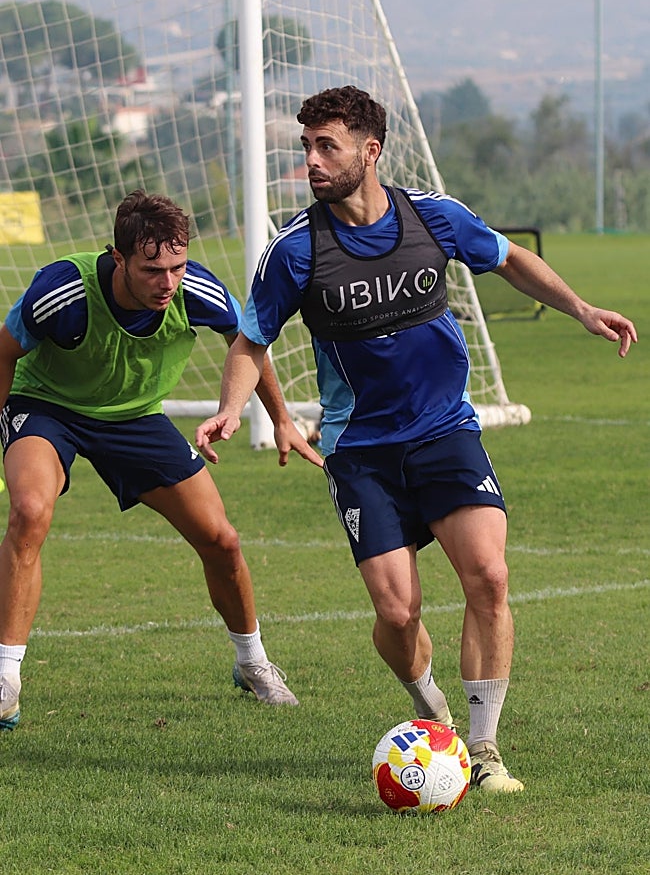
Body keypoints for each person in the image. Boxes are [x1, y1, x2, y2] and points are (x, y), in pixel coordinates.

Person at [195, 85, 637, 794]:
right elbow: (252, 339)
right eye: (305, 146)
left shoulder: (433, 217)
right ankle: (431, 712)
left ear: (370, 151)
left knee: (489, 576)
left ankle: (484, 745)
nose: (310, 159)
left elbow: (509, 258)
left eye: (326, 145)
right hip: (360, 449)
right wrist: (228, 408)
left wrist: (581, 308)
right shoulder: (296, 250)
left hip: (444, 430)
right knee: (398, 612)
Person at [0, 189, 323, 731]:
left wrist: (281, 420)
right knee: (30, 512)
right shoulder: (62, 290)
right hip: (49, 407)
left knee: (222, 540)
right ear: (118, 258)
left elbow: (249, 343)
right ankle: (6, 678)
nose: (168, 283)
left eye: (176, 267)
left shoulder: (197, 289)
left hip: (135, 418)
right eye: (152, 270)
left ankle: (253, 662)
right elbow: (4, 350)